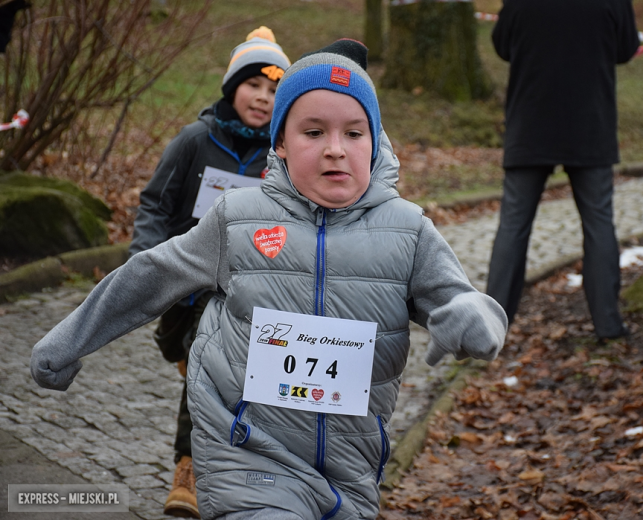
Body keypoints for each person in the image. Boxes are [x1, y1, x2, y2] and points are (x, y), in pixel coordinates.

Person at [30, 39, 508, 520]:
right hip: (247, 455)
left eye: (355, 133)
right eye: (314, 132)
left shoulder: (409, 231)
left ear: (377, 141)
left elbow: (457, 298)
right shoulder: (238, 219)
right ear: (279, 142)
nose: (336, 150)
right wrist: (68, 342)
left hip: (351, 470)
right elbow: (152, 274)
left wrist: (471, 316)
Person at [128, 26, 290, 518]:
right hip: (184, 282)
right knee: (184, 350)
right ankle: (188, 360)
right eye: (253, 85)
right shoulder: (195, 141)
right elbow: (156, 203)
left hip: (241, 289)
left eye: (273, 90)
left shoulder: (281, 157)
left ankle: (190, 469)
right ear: (231, 87)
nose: (262, 98)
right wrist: (146, 258)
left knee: (209, 364)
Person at [486, 0, 640, 341]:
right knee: (599, 223)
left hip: (530, 124)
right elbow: (627, 49)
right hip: (590, 124)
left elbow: (502, 45)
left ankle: (492, 326)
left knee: (513, 225)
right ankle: (609, 325)